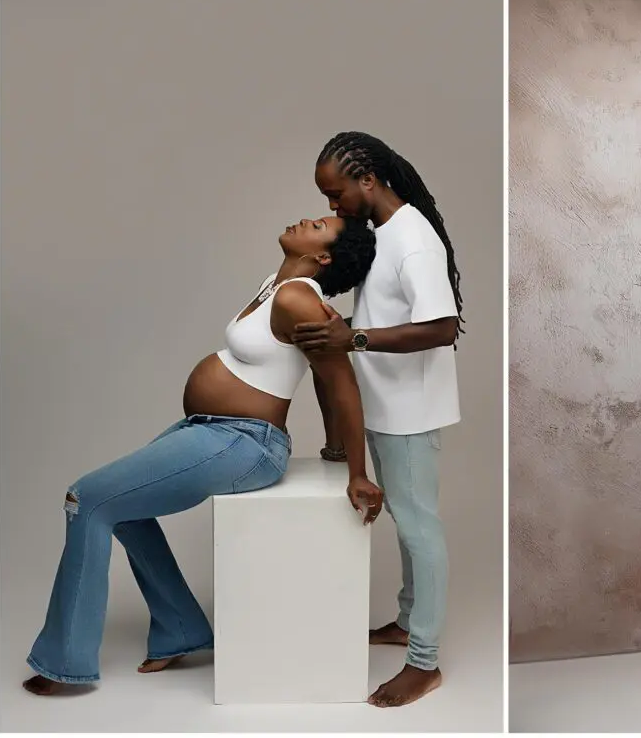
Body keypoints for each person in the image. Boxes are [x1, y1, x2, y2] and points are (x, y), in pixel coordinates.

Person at [23, 215, 382, 696]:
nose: (305, 219)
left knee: (85, 499)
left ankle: (62, 665)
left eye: (320, 225)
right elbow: (316, 372)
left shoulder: (300, 299)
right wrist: (333, 446)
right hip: (211, 432)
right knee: (122, 510)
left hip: (243, 443)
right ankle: (180, 629)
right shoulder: (276, 286)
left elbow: (340, 382)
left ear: (324, 257)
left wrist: (356, 471)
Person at [292, 131, 462, 708]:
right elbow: (386, 309)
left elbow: (443, 327)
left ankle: (425, 663)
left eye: (335, 194)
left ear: (368, 180)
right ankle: (409, 621)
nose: (332, 207)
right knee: (408, 522)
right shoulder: (384, 233)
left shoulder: (413, 238)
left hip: (410, 411)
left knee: (419, 527)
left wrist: (353, 336)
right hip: (386, 404)